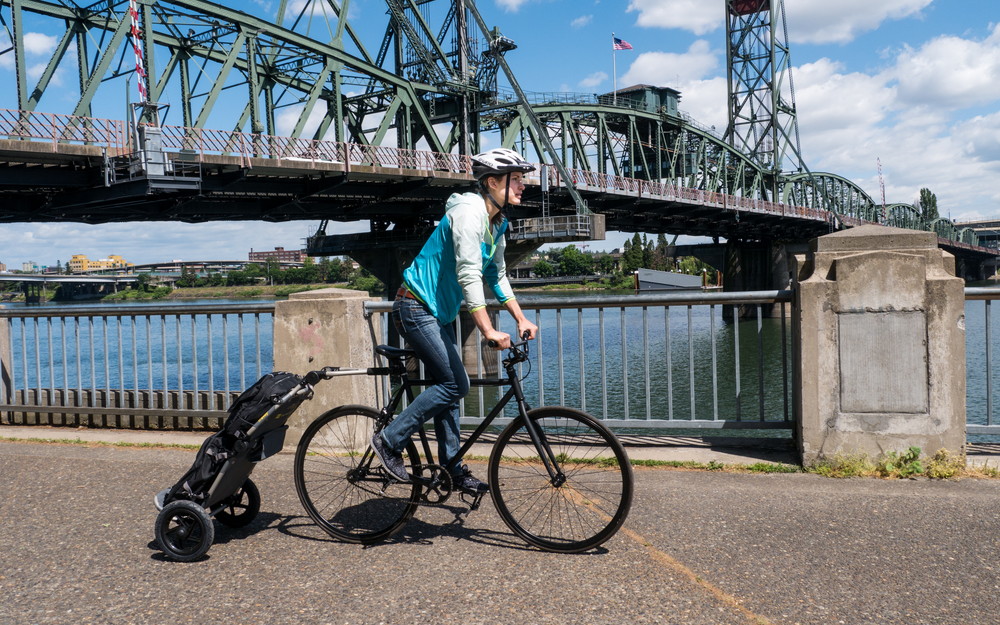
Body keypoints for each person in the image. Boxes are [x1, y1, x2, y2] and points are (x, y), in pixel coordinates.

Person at [371, 147, 539, 495]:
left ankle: (451, 468)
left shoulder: (497, 222)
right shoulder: (467, 213)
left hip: (440, 313)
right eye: (517, 180)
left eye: (523, 179)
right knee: (455, 385)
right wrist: (489, 330)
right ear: (492, 182)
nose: (523, 186)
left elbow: (497, 274)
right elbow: (468, 274)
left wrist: (521, 318)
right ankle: (389, 440)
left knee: (448, 389)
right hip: (414, 306)